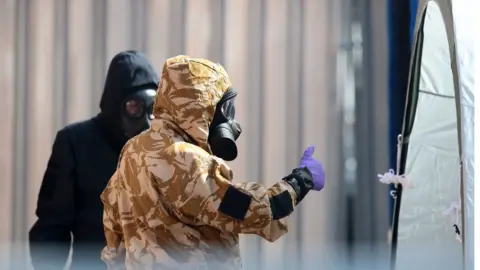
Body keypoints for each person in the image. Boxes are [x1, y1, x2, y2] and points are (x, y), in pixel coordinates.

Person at [101, 55, 326, 269]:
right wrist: (300, 181)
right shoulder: (186, 158)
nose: (227, 119)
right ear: (202, 105)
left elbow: (113, 225)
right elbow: (249, 211)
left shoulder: (133, 149)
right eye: (224, 107)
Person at [29, 50, 159, 270]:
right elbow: (51, 230)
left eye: (153, 108)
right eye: (135, 106)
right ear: (116, 105)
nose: (146, 121)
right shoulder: (76, 144)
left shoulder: (167, 150)